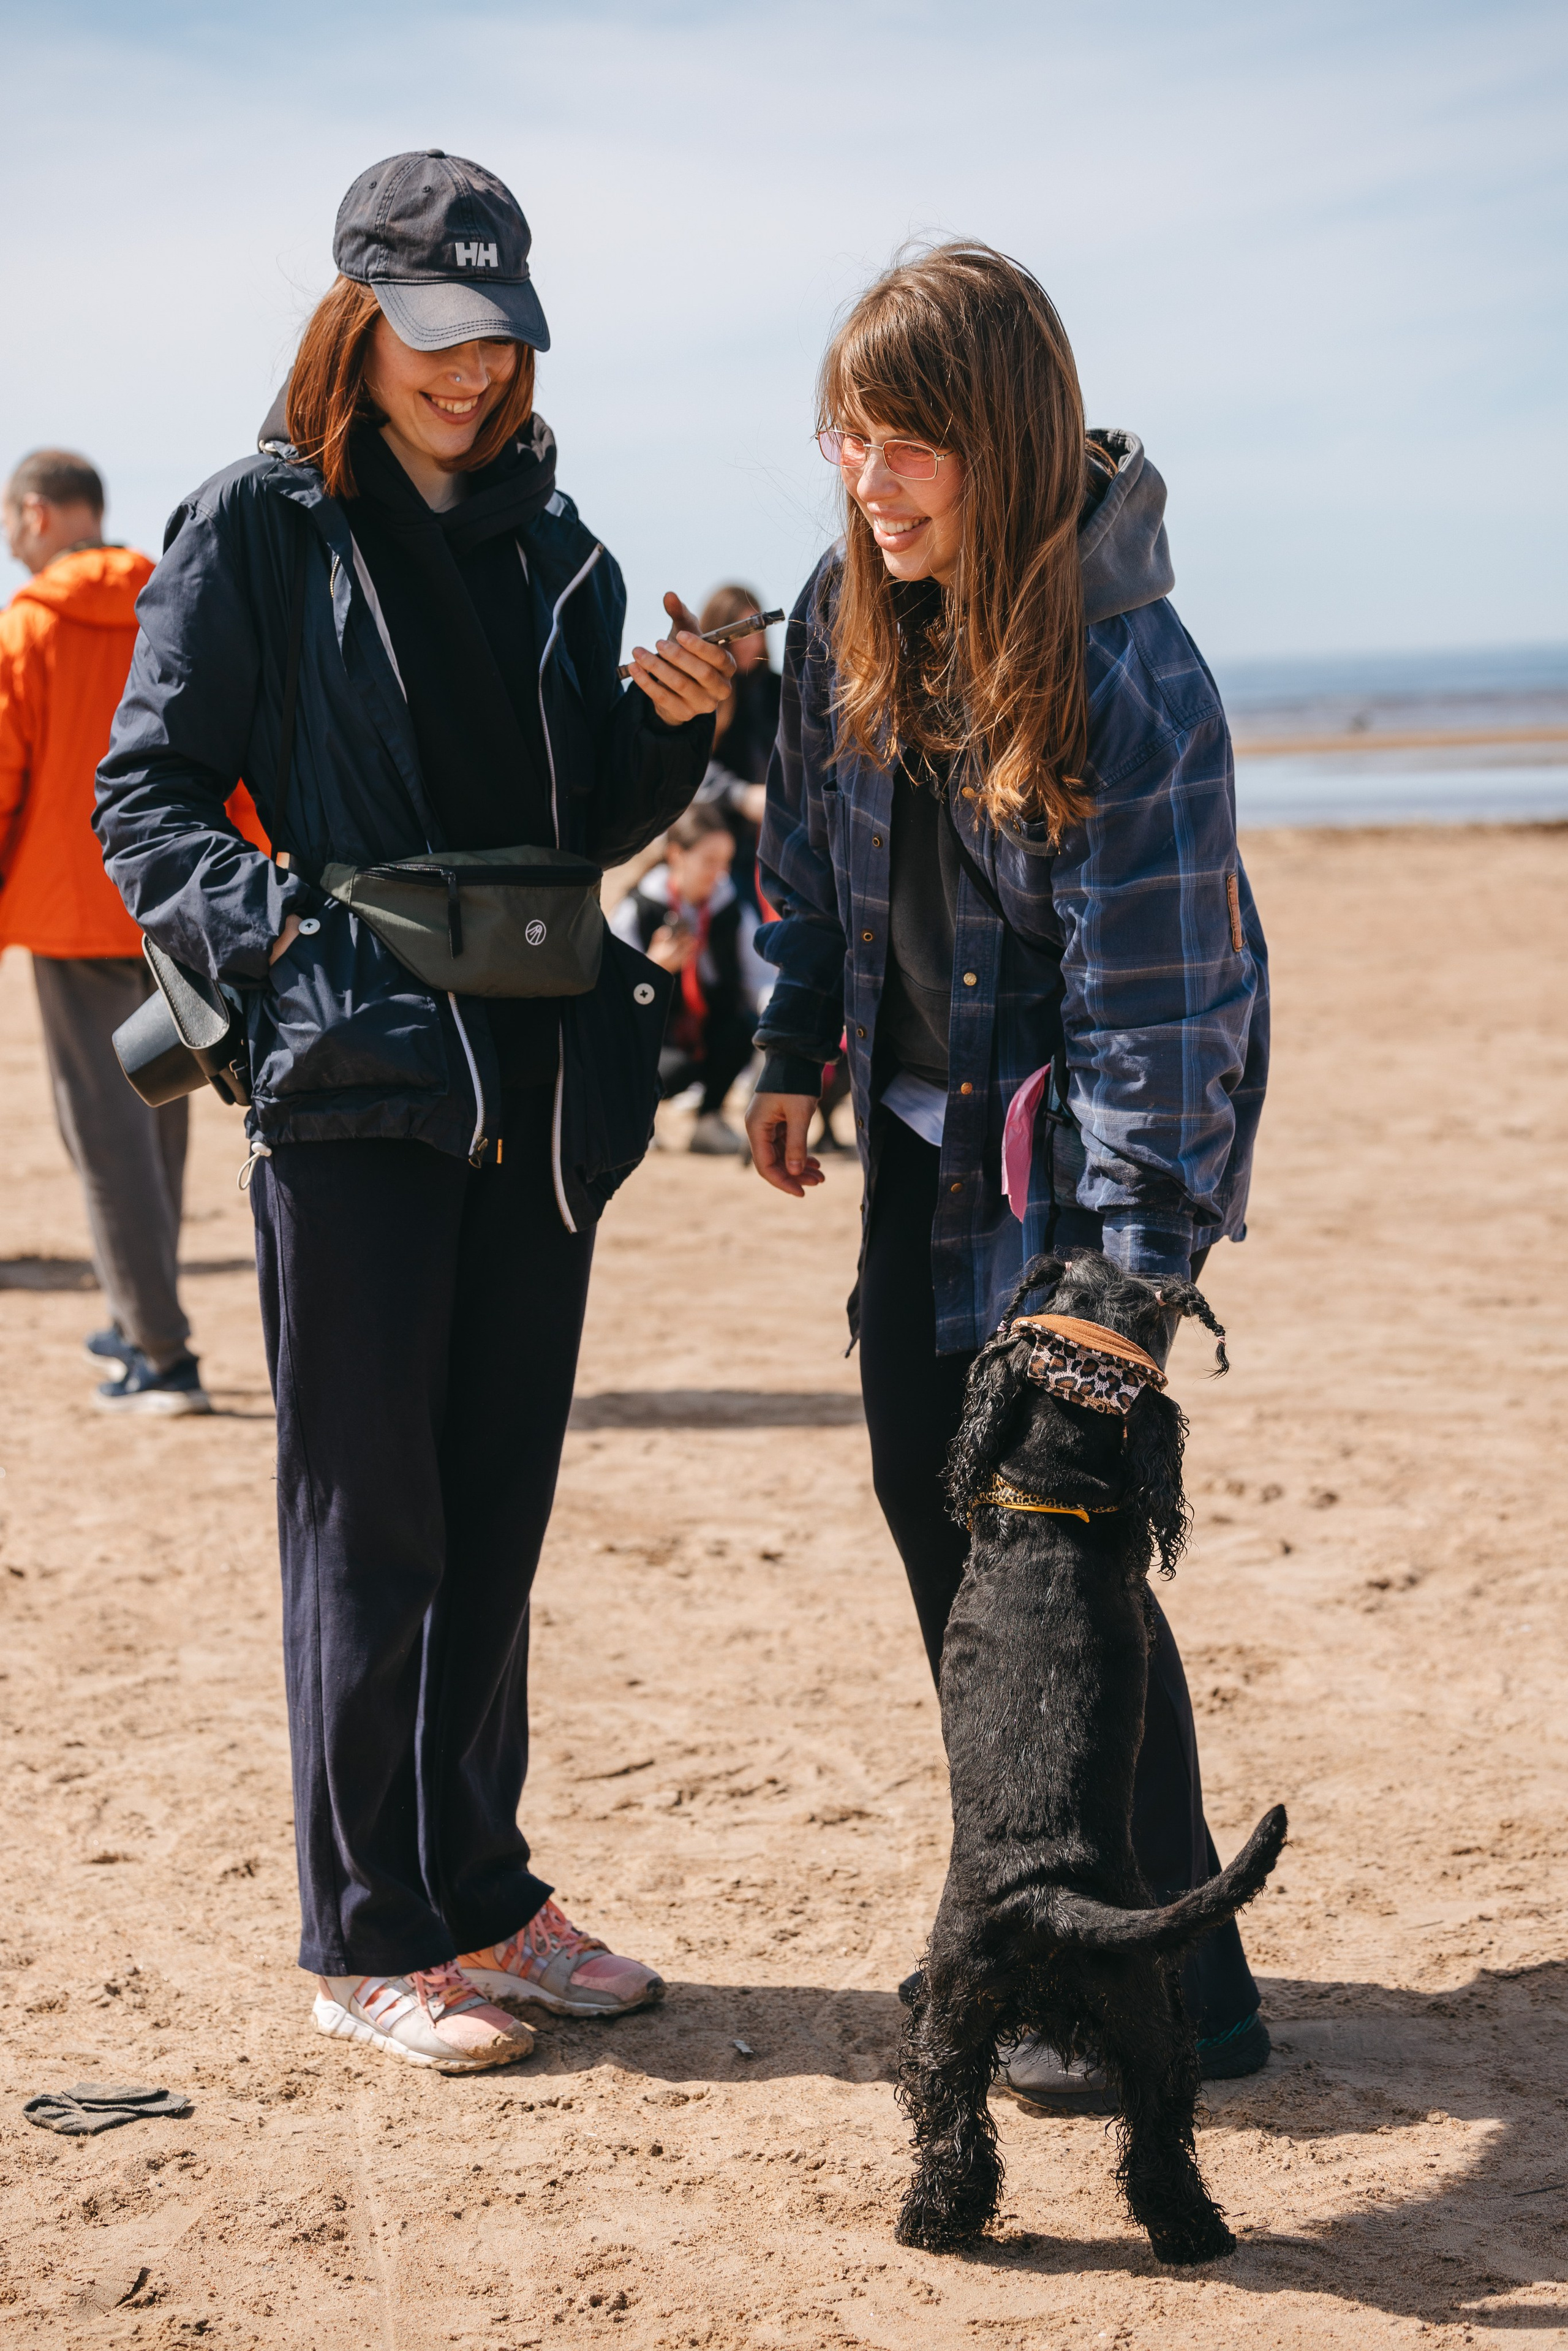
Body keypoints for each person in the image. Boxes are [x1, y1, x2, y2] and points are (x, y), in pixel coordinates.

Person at [96, 150, 733, 2071]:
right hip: (354, 1084)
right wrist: (289, 943)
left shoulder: (566, 554)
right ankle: (365, 1930)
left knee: (496, 1514)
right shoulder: (257, 529)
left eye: (500, 338)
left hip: (539, 1099)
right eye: (436, 337)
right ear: (357, 322)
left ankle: (482, 1892)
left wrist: (677, 724)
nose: (471, 374)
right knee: (369, 1525)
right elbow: (150, 796)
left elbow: (573, 825)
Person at [745, 244, 1273, 2091]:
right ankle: (1060, 1930)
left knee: (1061, 1579)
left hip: (1062, 1204)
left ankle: (1173, 1990)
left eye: (904, 444)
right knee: (949, 1560)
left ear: (1001, 438)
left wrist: (1123, 1285)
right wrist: (790, 1046)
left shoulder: (1134, 671)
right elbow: (809, 857)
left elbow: (1164, 1006)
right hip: (911, 1166)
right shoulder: (850, 604)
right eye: (846, 435)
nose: (863, 477)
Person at [1, 450, 213, 1413]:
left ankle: (161, 1354)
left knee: (105, 1135)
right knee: (161, 1115)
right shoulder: (173, 599)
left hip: (70, 908)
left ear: (38, 514)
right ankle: (140, 1318)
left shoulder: (28, 627)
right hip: (180, 902)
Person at [609, 801, 768, 1155]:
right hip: (654, 1037)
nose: (720, 874)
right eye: (709, 862)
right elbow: (610, 1000)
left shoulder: (730, 907)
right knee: (670, 1066)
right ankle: (635, 1121)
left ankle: (708, 1121)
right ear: (677, 855)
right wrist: (652, 970)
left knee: (742, 1028)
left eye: (726, 862)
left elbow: (761, 980)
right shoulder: (640, 908)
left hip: (705, 1028)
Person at [692, 581, 778, 915]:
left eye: (757, 628)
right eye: (741, 631)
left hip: (777, 844)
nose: (752, 641)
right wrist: (741, 796)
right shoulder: (703, 696)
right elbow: (690, 768)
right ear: (719, 634)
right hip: (717, 848)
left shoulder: (782, 691)